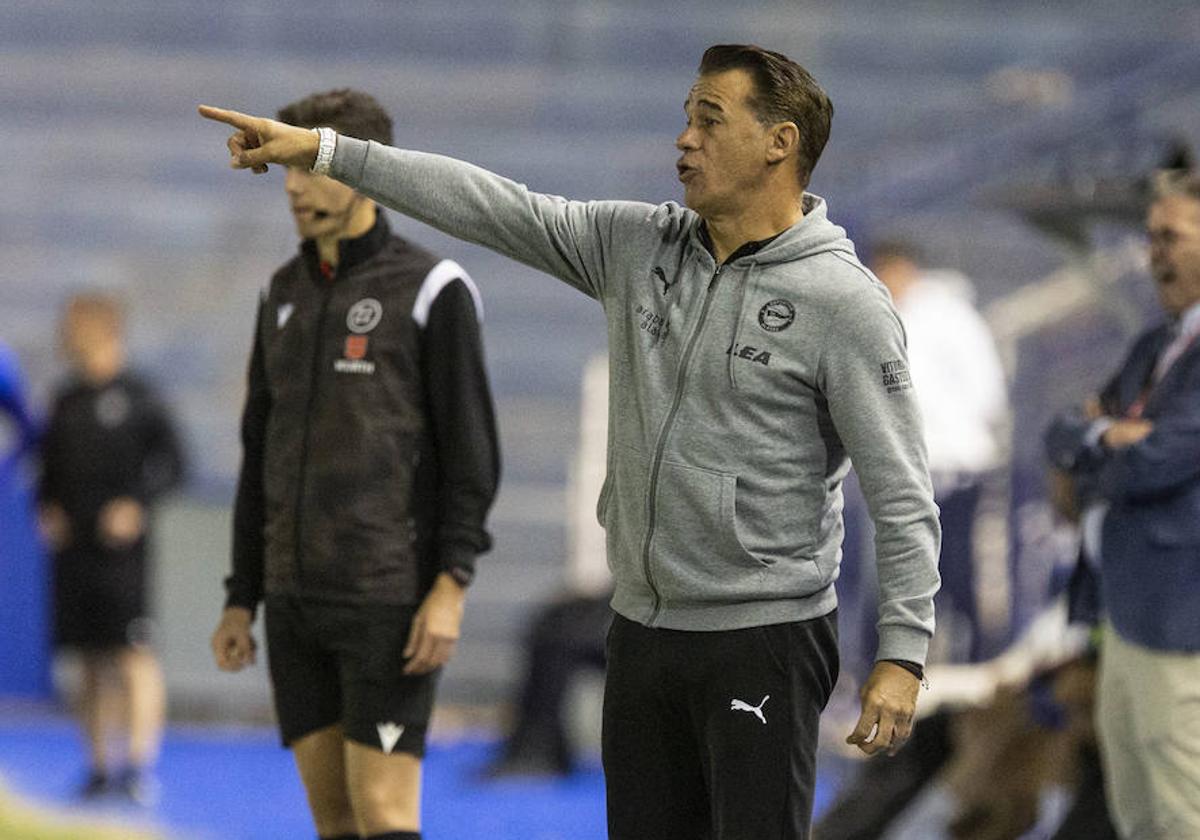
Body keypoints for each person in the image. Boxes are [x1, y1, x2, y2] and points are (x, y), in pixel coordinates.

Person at [200, 44, 941, 840]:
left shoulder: (844, 303)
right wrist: (325, 150)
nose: (683, 140)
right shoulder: (635, 247)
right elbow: (488, 205)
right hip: (642, 632)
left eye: (708, 120)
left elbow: (902, 495)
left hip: (763, 639)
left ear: (779, 143)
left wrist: (902, 654)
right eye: (685, 119)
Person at [207, 89, 500, 840]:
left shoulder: (434, 290)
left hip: (387, 603)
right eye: (289, 171)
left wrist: (451, 585)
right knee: (333, 819)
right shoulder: (281, 292)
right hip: (295, 600)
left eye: (310, 168)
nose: (295, 187)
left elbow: (473, 455)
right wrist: (244, 595)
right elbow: (259, 453)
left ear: (365, 170)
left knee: (384, 816)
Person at [1044, 169, 1200, 840]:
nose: (1154, 253)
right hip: (1123, 611)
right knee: (1136, 811)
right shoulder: (1152, 345)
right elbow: (1061, 432)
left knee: (1180, 809)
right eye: (1149, 238)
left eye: (1171, 237)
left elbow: (1163, 460)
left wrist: (1096, 441)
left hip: (1180, 616)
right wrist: (1109, 434)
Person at [37, 293, 185, 804]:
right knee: (89, 662)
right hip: (73, 553)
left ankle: (139, 766)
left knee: (132, 655)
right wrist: (47, 508)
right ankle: (100, 767)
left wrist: (137, 506)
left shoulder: (140, 397)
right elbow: (47, 469)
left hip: (122, 556)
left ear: (106, 330)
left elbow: (173, 464)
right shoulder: (64, 399)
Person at [869, 241, 1009, 663]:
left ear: (902, 268)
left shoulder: (952, 317)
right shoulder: (891, 317)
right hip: (909, 470)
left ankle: (971, 661)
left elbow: (989, 392)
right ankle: (903, 662)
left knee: (955, 571)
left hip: (953, 467)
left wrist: (952, 433)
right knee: (902, 574)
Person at [484, 354, 613, 779]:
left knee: (562, 633)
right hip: (622, 591)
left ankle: (538, 750)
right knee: (550, 623)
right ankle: (537, 747)